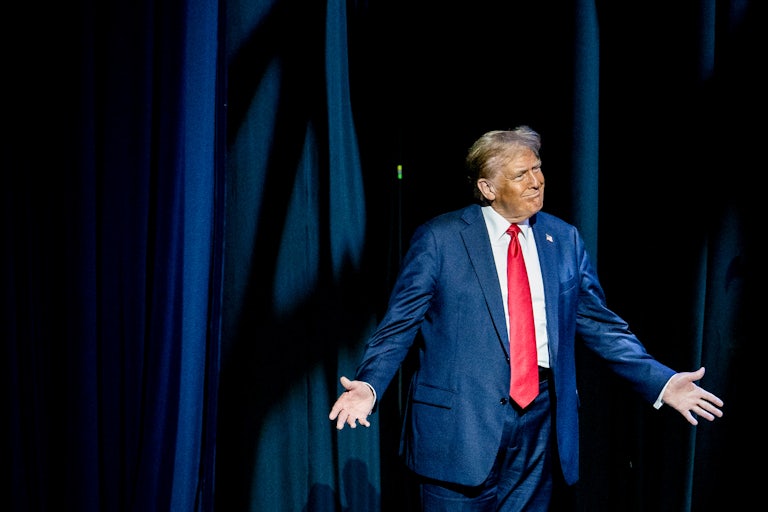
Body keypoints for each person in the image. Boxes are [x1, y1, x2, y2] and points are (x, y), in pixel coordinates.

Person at [328, 126, 723, 511]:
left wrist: (661, 380)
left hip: (540, 426)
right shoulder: (440, 239)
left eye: (537, 168)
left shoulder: (562, 239)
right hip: (460, 430)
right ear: (488, 188)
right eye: (521, 174)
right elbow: (399, 325)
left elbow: (601, 324)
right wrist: (370, 383)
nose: (537, 181)